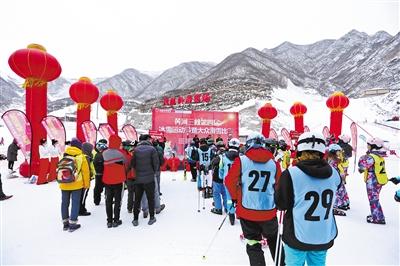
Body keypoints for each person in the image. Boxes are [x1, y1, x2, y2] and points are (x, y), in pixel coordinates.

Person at [275, 132, 341, 266]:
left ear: (299, 151)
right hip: (323, 234)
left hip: (297, 234)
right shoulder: (334, 174)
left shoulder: (291, 174)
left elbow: (282, 204)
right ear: (322, 152)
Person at [225, 132, 284, 266]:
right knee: (275, 242)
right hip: (268, 211)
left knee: (253, 244)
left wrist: (235, 197)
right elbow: (279, 185)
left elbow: (229, 181)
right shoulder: (274, 164)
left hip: (247, 211)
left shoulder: (241, 161)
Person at [59, 138, 90, 232]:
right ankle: (73, 223)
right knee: (75, 203)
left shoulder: (64, 154)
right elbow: (85, 172)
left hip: (64, 183)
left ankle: (65, 223)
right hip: (77, 183)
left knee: (64, 203)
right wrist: (86, 185)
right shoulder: (81, 156)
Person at [128, 134, 159, 226]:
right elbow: (156, 164)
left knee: (137, 199)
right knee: (150, 198)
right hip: (149, 178)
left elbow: (132, 164)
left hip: (138, 179)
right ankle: (152, 217)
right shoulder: (152, 149)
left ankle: (135, 219)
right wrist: (152, 172)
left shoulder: (136, 150)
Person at [358, 137, 388, 224]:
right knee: (375, 198)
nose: (367, 146)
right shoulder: (379, 156)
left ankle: (378, 218)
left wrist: (364, 157)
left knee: (373, 199)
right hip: (379, 179)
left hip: (373, 180)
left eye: (369, 145)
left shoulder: (371, 157)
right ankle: (377, 215)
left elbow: (362, 165)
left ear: (373, 146)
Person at [102, 135, 127, 228]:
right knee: (117, 201)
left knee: (108, 201)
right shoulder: (121, 153)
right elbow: (126, 163)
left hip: (107, 180)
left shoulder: (104, 153)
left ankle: (109, 221)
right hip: (118, 180)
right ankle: (116, 220)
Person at [219, 138, 240, 225]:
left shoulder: (223, 157)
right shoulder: (241, 157)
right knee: (239, 197)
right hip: (238, 181)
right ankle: (239, 214)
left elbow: (221, 169)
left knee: (229, 199)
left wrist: (221, 177)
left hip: (227, 181)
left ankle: (231, 215)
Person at [326, 144, 349, 216]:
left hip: (337, 177)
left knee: (337, 190)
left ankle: (339, 204)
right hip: (340, 176)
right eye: (338, 151)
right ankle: (344, 203)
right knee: (342, 189)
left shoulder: (334, 160)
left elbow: (332, 169)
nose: (339, 153)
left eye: (339, 151)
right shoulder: (338, 159)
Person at [210, 141, 227, 215]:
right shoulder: (228, 156)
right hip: (226, 177)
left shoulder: (217, 156)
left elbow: (212, 163)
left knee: (216, 193)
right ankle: (227, 208)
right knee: (225, 193)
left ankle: (218, 208)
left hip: (217, 177)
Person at [80, 142, 95, 216]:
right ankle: (81, 210)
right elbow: (88, 169)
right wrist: (91, 175)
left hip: (81, 179)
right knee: (83, 195)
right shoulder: (87, 157)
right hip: (85, 180)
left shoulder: (81, 156)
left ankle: (81, 208)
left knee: (81, 195)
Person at [122, 141, 136, 213]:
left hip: (128, 177)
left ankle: (129, 208)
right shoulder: (136, 157)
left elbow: (124, 168)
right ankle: (136, 207)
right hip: (136, 177)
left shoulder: (126, 157)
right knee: (136, 193)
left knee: (130, 193)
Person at [93, 139, 107, 205]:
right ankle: (107, 198)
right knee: (106, 187)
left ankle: (97, 200)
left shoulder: (96, 153)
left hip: (98, 173)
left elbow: (94, 163)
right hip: (104, 172)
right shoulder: (105, 152)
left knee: (98, 187)